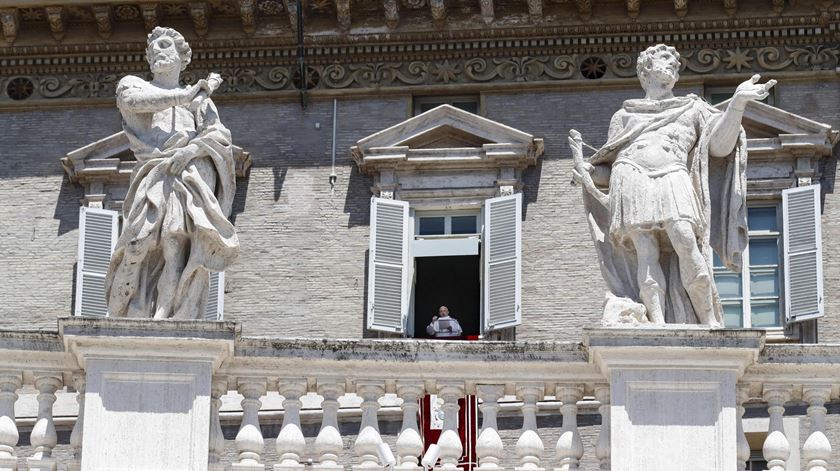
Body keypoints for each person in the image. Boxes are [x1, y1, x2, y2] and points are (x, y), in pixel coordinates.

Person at [570, 44, 775, 327]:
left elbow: (719, 147)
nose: (672, 64)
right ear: (645, 70)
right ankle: (657, 323)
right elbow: (607, 167)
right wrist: (590, 171)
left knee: (685, 239)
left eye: (675, 63)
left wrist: (737, 103)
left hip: (673, 174)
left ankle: (709, 320)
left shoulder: (692, 108)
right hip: (631, 177)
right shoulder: (624, 116)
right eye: (664, 58)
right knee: (646, 250)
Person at [105, 27, 239, 319]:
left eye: (165, 45)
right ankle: (117, 315)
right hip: (152, 176)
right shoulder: (134, 85)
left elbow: (219, 138)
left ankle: (165, 316)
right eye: (152, 48)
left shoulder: (200, 102)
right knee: (136, 244)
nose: (156, 51)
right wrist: (184, 96)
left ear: (182, 57)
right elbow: (132, 103)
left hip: (184, 179)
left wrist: (190, 152)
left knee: (174, 248)